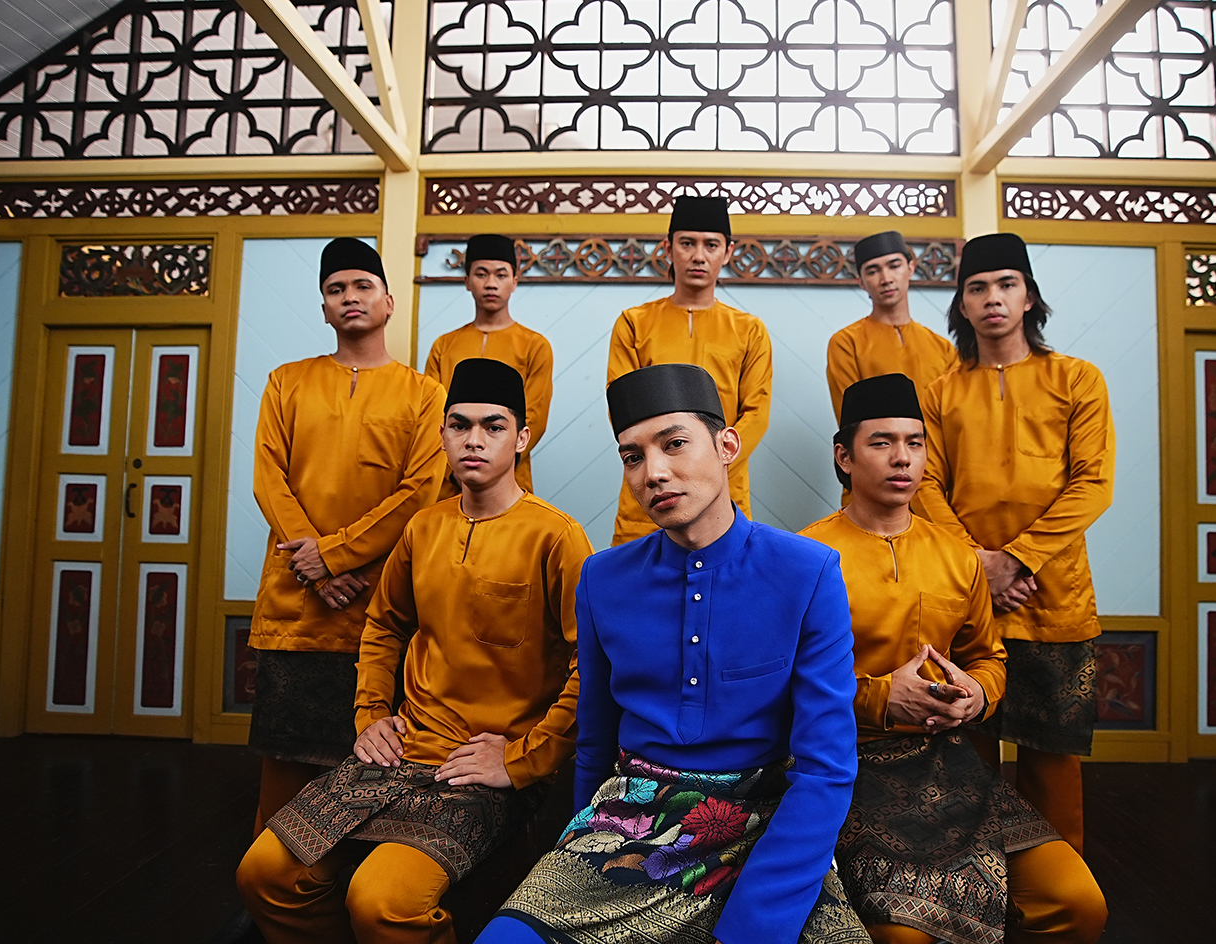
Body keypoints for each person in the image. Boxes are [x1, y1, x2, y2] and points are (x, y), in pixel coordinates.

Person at [476, 364, 868, 944]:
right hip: (630, 818)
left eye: (675, 443)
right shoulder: (603, 580)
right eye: (632, 457)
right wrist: (583, 848)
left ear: (727, 446)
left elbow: (826, 767)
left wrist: (753, 928)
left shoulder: (806, 571)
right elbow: (595, 740)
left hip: (766, 825)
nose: (653, 472)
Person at [237, 358, 592, 944]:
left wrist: (523, 759)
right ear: (443, 435)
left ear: (522, 438)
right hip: (402, 750)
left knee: (381, 902)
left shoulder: (556, 536)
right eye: (459, 425)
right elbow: (383, 625)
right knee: (264, 874)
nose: (474, 440)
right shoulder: (423, 528)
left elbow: (592, 666)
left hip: (485, 765)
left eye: (494, 426)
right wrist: (371, 714)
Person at [803, 373, 1107, 944]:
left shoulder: (957, 556)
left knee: (1077, 904)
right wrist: (878, 697)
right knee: (904, 937)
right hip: (846, 764)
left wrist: (977, 695)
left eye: (914, 443)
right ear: (844, 457)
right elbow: (777, 681)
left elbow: (988, 656)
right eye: (881, 443)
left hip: (946, 763)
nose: (902, 458)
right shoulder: (804, 556)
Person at [918, 233, 1115, 853]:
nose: (992, 298)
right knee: (966, 752)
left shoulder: (1076, 379)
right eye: (977, 288)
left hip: (1053, 598)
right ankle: (977, 886)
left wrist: (1016, 560)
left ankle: (1060, 890)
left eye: (1007, 285)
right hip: (968, 595)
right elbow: (926, 484)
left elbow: (1093, 484)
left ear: (1029, 297)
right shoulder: (941, 392)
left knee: (1051, 758)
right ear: (963, 304)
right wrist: (979, 566)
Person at [247, 237, 447, 836]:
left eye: (363, 286)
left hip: (379, 603)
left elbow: (419, 491)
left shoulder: (424, 394)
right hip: (296, 606)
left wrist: (332, 557)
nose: (350, 297)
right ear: (324, 309)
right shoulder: (287, 382)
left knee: (374, 770)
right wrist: (316, 565)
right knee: (284, 767)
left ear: (389, 302)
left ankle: (352, 882)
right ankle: (272, 881)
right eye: (336, 289)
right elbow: (268, 478)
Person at [606, 196, 772, 545]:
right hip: (653, 485)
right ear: (668, 248)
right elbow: (623, 410)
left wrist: (712, 462)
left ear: (728, 252)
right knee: (639, 574)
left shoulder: (749, 330)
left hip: (725, 484)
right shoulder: (634, 323)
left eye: (711, 245)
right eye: (687, 243)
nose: (699, 256)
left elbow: (756, 413)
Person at [424, 233, 553, 497]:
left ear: (514, 282)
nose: (491, 284)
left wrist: (493, 466)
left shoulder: (534, 345)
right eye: (481, 274)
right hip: (450, 481)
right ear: (467, 282)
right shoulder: (444, 346)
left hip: (511, 478)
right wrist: (454, 469)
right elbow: (432, 414)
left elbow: (534, 417)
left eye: (501, 275)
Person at [825, 230, 959, 419]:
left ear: (911, 269)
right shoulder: (847, 343)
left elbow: (954, 417)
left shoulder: (943, 348)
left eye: (894, 266)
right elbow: (851, 420)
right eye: (873, 271)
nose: (886, 279)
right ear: (861, 282)